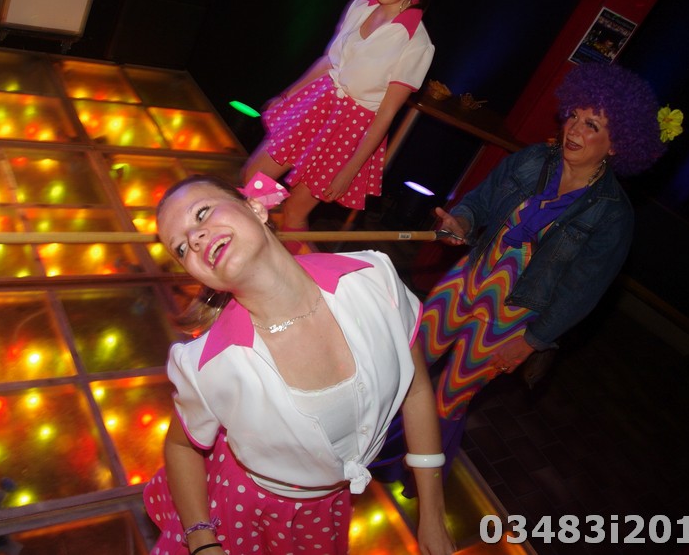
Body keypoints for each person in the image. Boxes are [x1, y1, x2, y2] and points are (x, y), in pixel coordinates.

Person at [143, 172, 456, 555]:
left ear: (256, 208)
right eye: (181, 248)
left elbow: (417, 389)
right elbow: (180, 446)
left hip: (327, 509)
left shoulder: (375, 279)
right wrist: (201, 540)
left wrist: (432, 513)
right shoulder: (205, 365)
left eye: (202, 213)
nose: (194, 238)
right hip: (246, 510)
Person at [419, 62, 667, 471]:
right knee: (408, 366)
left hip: (511, 317)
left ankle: (412, 475)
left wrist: (532, 341)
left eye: (591, 125)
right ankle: (366, 450)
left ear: (617, 144)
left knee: (449, 398)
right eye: (574, 116)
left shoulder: (613, 215)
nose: (574, 130)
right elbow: (479, 202)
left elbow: (580, 293)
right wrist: (460, 221)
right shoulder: (533, 159)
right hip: (466, 281)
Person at [241, 0, 446, 237]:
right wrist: (287, 95)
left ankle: (285, 262)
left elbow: (386, 114)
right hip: (318, 102)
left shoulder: (416, 43)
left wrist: (350, 170)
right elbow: (329, 61)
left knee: (294, 214)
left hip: (350, 129)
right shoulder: (361, 5)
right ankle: (250, 239)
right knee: (254, 178)